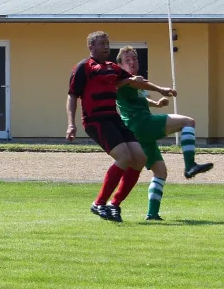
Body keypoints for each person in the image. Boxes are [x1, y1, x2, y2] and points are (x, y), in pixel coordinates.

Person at [66, 31, 176, 222]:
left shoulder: (113, 68)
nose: (106, 46)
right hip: (96, 120)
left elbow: (136, 82)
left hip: (114, 119)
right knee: (124, 157)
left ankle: (114, 204)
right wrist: (71, 124)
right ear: (91, 47)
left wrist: (161, 90)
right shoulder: (84, 67)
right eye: (101, 43)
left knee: (140, 158)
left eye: (107, 43)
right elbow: (72, 95)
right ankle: (99, 203)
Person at [115, 45, 214, 221]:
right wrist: (161, 89)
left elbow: (139, 97)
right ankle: (190, 165)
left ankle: (149, 214)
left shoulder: (134, 80)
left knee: (160, 172)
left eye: (134, 58)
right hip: (141, 125)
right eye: (127, 60)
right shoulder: (125, 79)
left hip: (137, 132)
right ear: (120, 65)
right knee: (188, 122)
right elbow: (137, 85)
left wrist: (156, 104)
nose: (132, 62)